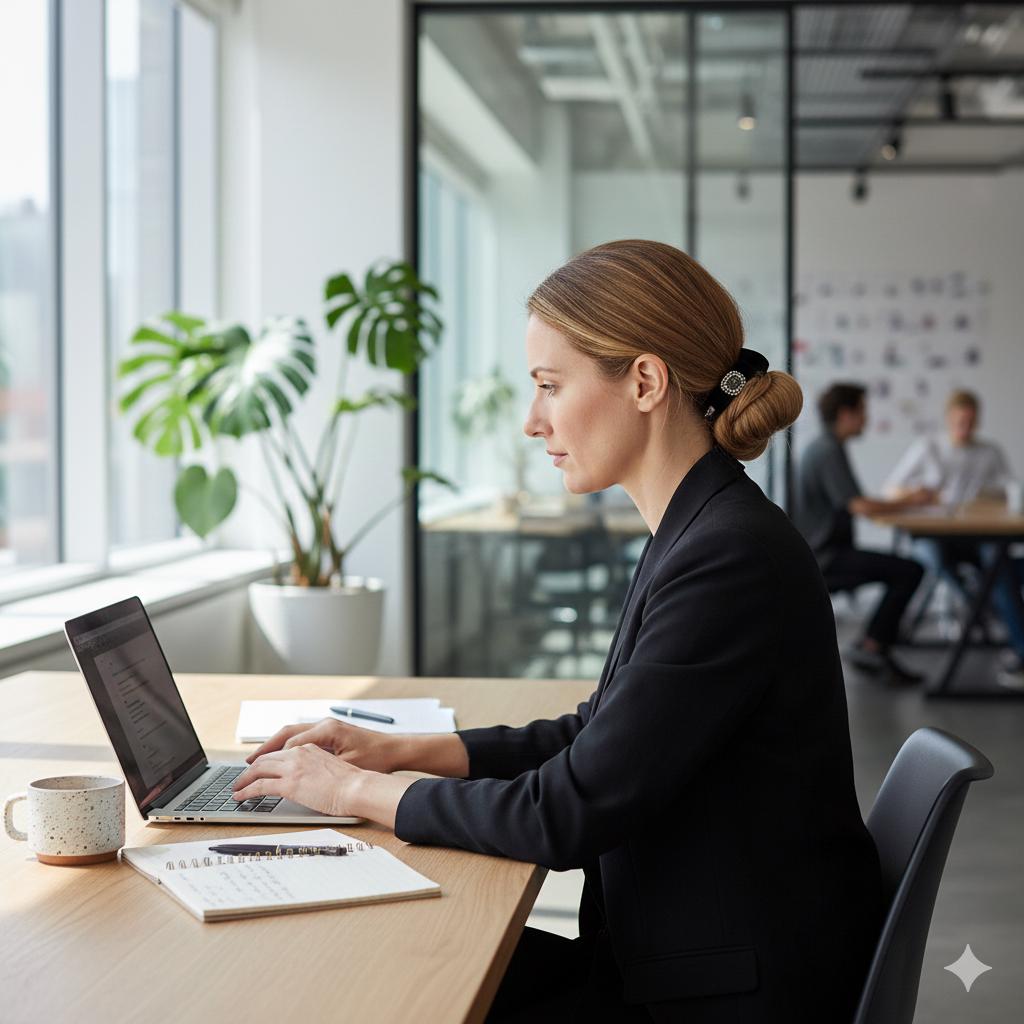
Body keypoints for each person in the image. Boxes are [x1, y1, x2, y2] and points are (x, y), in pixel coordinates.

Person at [231, 240, 883, 1023]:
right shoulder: (701, 529)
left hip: (720, 991)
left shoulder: (729, 557)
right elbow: (599, 736)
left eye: (549, 386)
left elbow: (565, 814)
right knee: (388, 949)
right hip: (687, 956)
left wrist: (355, 791)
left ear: (644, 381)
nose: (531, 421)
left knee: (383, 972)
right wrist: (400, 751)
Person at [884, 389, 1024, 688]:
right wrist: (919, 495)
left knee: (999, 563)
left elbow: (1010, 489)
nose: (966, 427)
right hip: (934, 535)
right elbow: (891, 490)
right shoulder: (928, 447)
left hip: (974, 535)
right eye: (961, 420)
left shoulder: (989, 452)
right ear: (949, 419)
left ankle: (993, 617)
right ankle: (979, 606)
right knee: (937, 558)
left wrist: (991, 498)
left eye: (972, 421)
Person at [793, 383, 929, 684]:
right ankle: (873, 645)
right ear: (846, 414)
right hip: (825, 558)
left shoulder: (827, 446)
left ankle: (872, 645)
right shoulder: (827, 450)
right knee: (910, 571)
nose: (866, 419)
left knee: (906, 570)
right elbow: (860, 506)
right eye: (863, 412)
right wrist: (911, 501)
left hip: (822, 552)